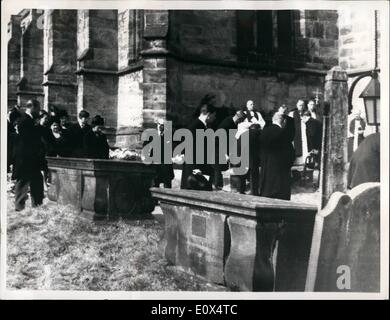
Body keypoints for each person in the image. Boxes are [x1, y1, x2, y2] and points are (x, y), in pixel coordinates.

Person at [13, 99, 45, 211]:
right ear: (32, 107)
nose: (39, 110)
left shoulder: (30, 120)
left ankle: (37, 205)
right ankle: (19, 208)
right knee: (22, 182)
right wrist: (37, 127)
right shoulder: (23, 120)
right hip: (25, 159)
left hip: (32, 158)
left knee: (37, 180)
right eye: (38, 108)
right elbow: (28, 139)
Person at [259, 106, 295, 200]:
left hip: (266, 172)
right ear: (283, 121)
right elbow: (291, 154)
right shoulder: (282, 133)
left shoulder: (264, 131)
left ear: (272, 120)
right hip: (280, 175)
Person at [147, 118, 175, 188]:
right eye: (159, 124)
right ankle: (154, 199)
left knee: (167, 185)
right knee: (154, 185)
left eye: (162, 125)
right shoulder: (152, 136)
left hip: (166, 165)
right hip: (156, 165)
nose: (160, 126)